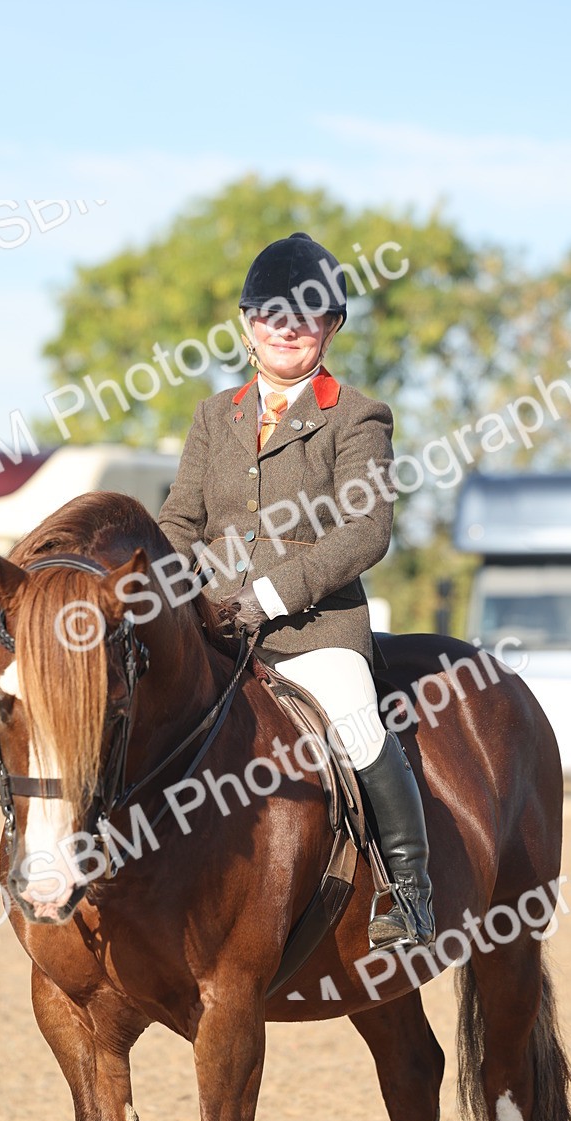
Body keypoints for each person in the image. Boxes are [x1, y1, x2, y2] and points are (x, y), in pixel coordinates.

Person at [158, 232, 434, 949]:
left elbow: (366, 530)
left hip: (314, 631)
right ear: (248, 325)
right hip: (213, 623)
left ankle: (409, 891)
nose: (287, 328)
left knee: (353, 717)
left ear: (330, 327)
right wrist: (160, 589)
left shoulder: (357, 416)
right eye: (271, 314)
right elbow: (181, 519)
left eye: (305, 316)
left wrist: (271, 595)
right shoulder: (215, 416)